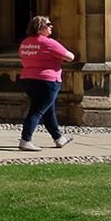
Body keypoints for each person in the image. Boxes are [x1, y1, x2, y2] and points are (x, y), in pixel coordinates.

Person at [18, 15, 75, 151]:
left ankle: (58, 138)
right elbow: (70, 57)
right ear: (39, 27)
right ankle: (25, 140)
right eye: (48, 24)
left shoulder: (25, 42)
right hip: (47, 81)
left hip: (27, 80)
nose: (51, 26)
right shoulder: (49, 43)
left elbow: (21, 54)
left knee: (48, 110)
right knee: (37, 111)